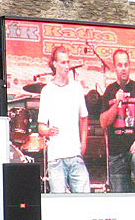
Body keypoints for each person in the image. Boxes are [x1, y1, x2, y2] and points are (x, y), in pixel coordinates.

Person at [36, 46, 90, 193]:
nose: (67, 66)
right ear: (55, 64)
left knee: (84, 197)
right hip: (56, 157)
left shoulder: (76, 88)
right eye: (63, 62)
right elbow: (41, 127)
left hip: (75, 153)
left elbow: (84, 118)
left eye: (68, 62)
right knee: (59, 202)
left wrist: (83, 143)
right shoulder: (47, 90)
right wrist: (48, 131)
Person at [99, 49, 135, 193]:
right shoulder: (109, 91)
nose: (123, 68)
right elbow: (103, 122)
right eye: (120, 65)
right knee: (121, 200)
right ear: (115, 67)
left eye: (126, 65)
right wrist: (117, 103)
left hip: (134, 147)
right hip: (116, 154)